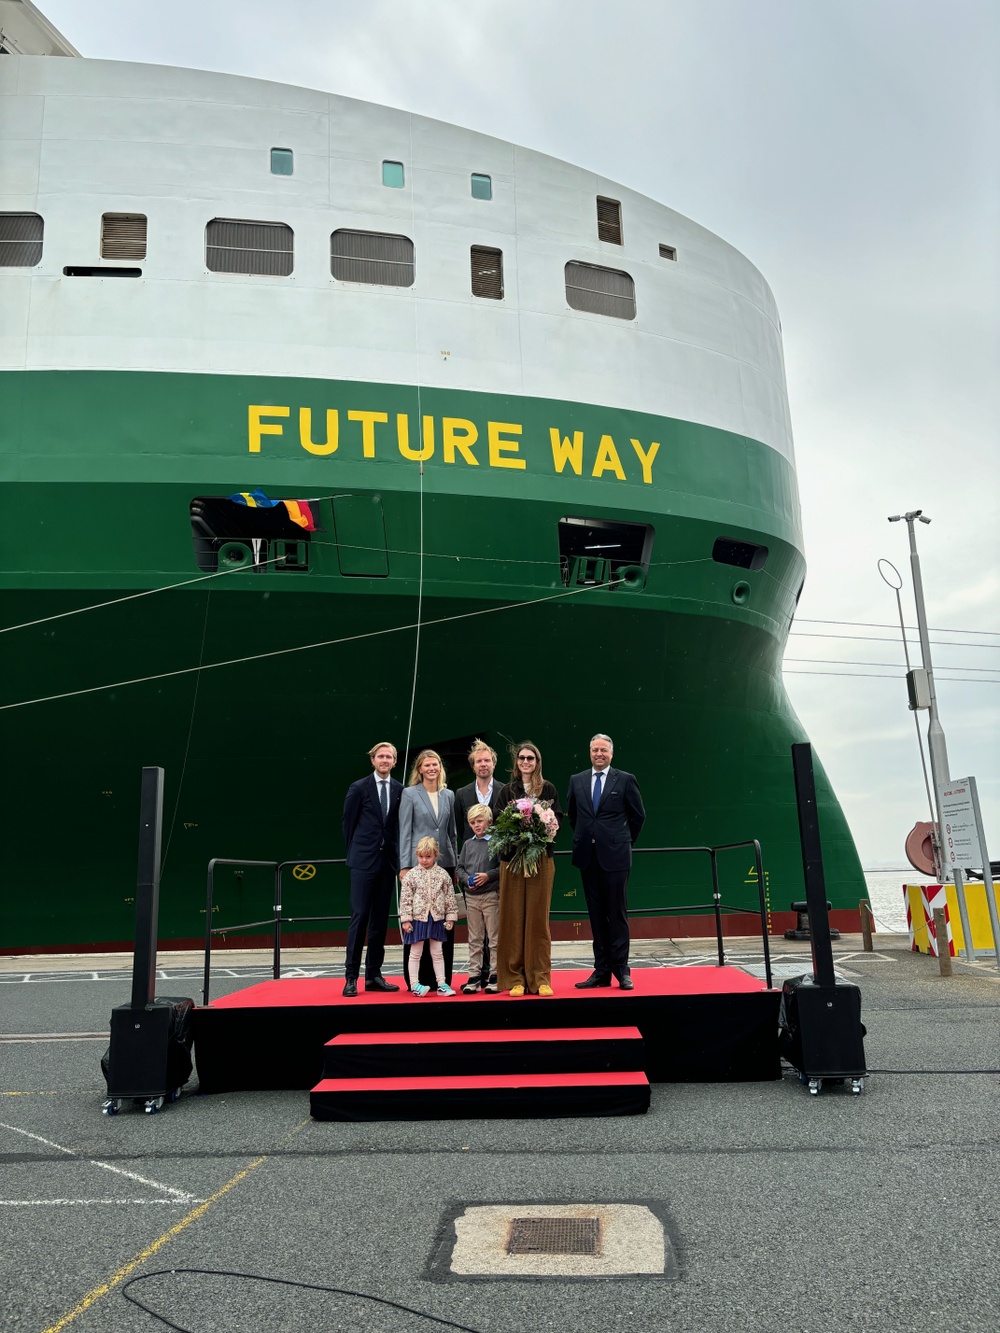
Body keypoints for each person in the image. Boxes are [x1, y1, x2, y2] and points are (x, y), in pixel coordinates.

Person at [566, 733, 646, 990]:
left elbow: (638, 816)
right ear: (589, 752)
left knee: (617, 913)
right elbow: (574, 817)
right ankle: (601, 971)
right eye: (594, 750)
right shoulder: (576, 780)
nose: (599, 754)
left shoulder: (625, 780)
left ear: (611, 753)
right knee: (596, 915)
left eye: (603, 750)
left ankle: (622, 970)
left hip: (616, 857)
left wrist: (620, 841)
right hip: (588, 858)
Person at [495, 740, 562, 997]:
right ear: (516, 762)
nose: (525, 762)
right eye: (522, 758)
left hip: (541, 860)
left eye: (530, 758)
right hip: (511, 861)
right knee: (512, 918)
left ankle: (540, 977)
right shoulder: (507, 791)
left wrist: (538, 832)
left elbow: (555, 823)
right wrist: (517, 835)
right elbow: (500, 823)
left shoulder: (548, 789)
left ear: (537, 762)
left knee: (538, 919)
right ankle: (515, 978)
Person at [341, 741, 404, 997]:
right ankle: (351, 977)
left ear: (395, 761)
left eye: (389, 756)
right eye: (380, 756)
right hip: (363, 863)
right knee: (359, 918)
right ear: (372, 760)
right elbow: (348, 823)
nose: (384, 760)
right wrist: (356, 854)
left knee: (379, 921)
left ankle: (374, 975)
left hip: (387, 863)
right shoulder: (358, 788)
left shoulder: (400, 790)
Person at [398, 749, 458, 989]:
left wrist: (455, 864)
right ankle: (415, 980)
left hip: (445, 863)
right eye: (427, 765)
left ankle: (442, 980)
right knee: (416, 922)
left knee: (442, 924)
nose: (432, 768)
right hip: (418, 862)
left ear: (440, 767)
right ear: (419, 769)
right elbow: (405, 831)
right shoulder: (410, 794)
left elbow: (451, 832)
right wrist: (404, 865)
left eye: (436, 764)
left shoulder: (449, 795)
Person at [453, 739, 505, 986]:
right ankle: (477, 974)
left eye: (487, 760)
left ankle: (495, 973)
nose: (483, 764)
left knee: (494, 932)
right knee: (475, 933)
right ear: (473, 766)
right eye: (478, 761)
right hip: (471, 868)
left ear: (493, 764)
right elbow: (457, 831)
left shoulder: (505, 791)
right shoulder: (461, 794)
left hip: (495, 872)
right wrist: (460, 871)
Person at [400, 837, 459, 996]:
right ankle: (414, 984)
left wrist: (450, 917)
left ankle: (441, 983)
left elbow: (449, 897)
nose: (424, 860)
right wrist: (405, 919)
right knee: (415, 952)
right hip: (418, 919)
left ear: (435, 855)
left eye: (428, 856)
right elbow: (405, 898)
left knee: (438, 952)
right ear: (416, 855)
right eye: (421, 856)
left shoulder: (443, 874)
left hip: (437, 918)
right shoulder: (411, 875)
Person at [455, 804, 500, 994]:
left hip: (491, 896)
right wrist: (466, 879)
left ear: (489, 821)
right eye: (473, 823)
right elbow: (460, 868)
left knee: (494, 938)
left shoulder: (497, 842)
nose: (476, 825)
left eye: (480, 821)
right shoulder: (468, 844)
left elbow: (502, 868)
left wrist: (487, 876)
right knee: (474, 938)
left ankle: (496, 975)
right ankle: (474, 976)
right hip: (472, 898)